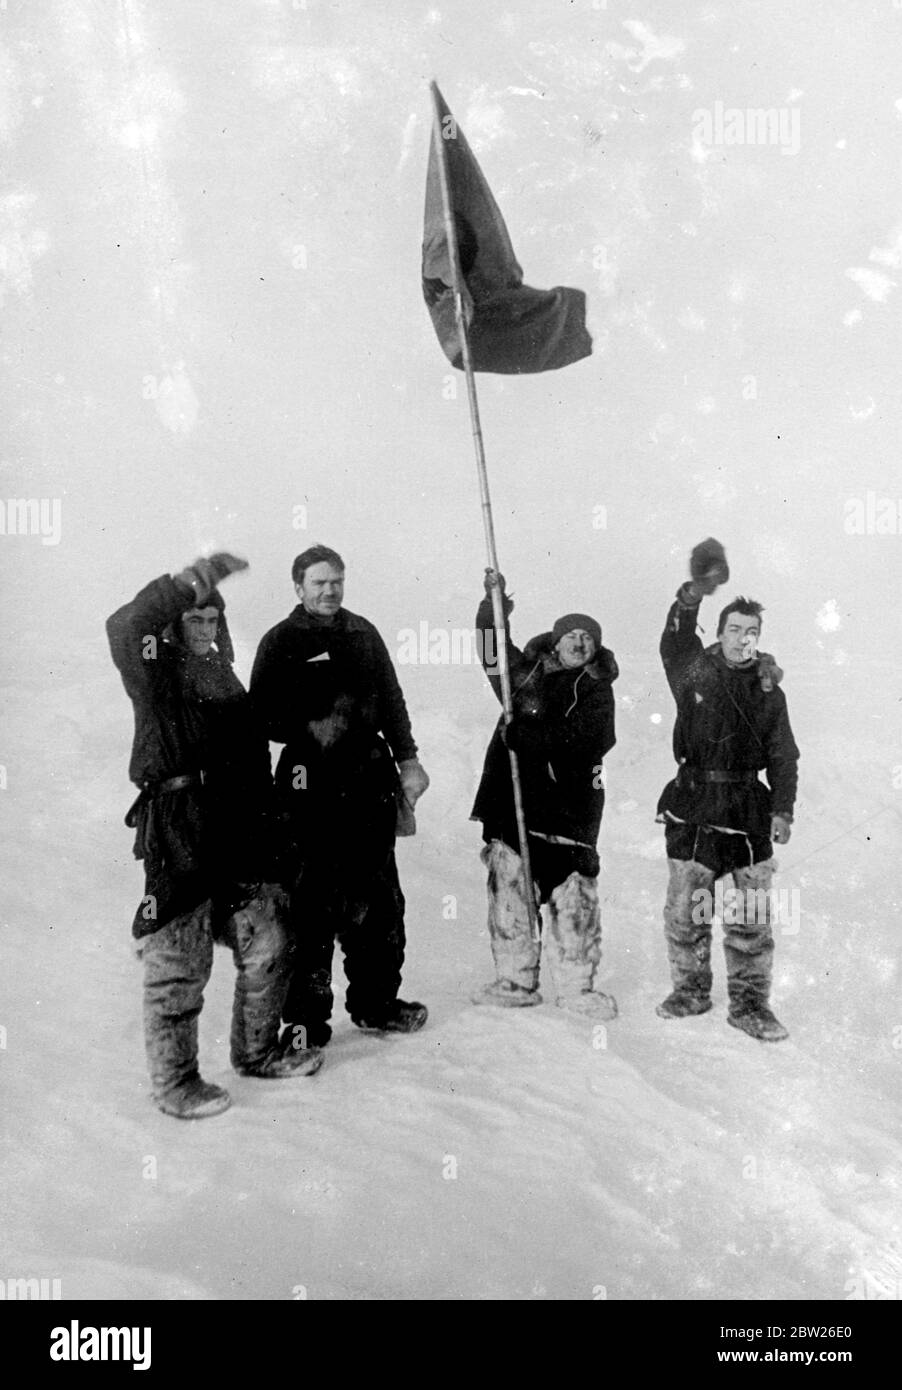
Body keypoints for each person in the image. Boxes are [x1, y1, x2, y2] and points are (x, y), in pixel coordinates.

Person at [107, 552, 323, 1121]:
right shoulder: (157, 674)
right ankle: (176, 1083)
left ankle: (255, 1052)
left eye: (211, 620)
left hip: (239, 831)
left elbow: (253, 757)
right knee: (182, 957)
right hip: (180, 832)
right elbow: (125, 625)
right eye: (194, 618)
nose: (204, 630)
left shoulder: (225, 678)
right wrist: (188, 582)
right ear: (176, 624)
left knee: (270, 935)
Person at [250, 544, 430, 1050]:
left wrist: (408, 758)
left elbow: (392, 699)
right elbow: (259, 719)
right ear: (298, 588)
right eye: (318, 583)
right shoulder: (281, 641)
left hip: (368, 782)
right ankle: (306, 1024)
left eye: (336, 582)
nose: (329, 591)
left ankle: (377, 1005)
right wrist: (309, 724)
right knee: (311, 909)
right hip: (309, 785)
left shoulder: (362, 633)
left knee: (378, 902)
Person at [656, 538, 799, 1042]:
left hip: (747, 809)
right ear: (718, 633)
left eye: (751, 632)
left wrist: (782, 809)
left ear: (759, 638)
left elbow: (784, 754)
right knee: (687, 909)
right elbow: (674, 643)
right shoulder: (696, 670)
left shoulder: (769, 691)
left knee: (751, 916)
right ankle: (691, 991)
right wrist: (692, 594)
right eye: (734, 630)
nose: (742, 638)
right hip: (694, 803)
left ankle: (750, 1005)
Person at [470, 569, 619, 1015]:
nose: (578, 642)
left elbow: (591, 740)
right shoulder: (525, 677)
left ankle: (577, 989)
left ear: (595, 650)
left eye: (587, 639)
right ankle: (515, 981)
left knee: (574, 898)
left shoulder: (596, 690)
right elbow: (493, 654)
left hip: (570, 814)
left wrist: (531, 739)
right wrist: (492, 607)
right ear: (555, 642)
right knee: (511, 891)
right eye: (571, 635)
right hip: (516, 809)